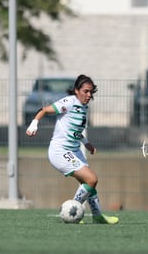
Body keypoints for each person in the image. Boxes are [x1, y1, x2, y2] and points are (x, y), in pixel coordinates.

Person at [26, 74, 119, 224]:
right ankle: (73, 210)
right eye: (86, 91)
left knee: (88, 183)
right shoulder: (69, 102)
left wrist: (87, 143)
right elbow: (44, 110)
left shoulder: (84, 107)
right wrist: (34, 124)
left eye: (91, 92)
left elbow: (74, 130)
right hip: (61, 151)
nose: (89, 95)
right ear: (76, 90)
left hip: (74, 150)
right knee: (92, 179)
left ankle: (97, 216)